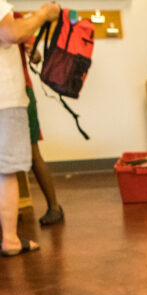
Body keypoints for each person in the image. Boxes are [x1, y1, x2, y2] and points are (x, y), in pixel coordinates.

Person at [0, 1, 59, 256]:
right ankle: (10, 239)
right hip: (6, 100)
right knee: (8, 170)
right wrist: (43, 14)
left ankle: (53, 207)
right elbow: (11, 33)